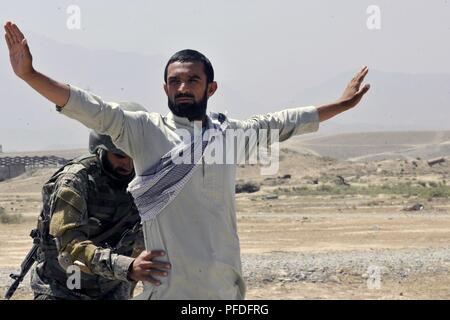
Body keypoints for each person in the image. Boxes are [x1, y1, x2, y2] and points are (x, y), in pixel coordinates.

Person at [4, 21, 370, 299]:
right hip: (166, 285)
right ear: (164, 88)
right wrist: (30, 75)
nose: (182, 87)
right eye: (174, 81)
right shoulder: (143, 132)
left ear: (210, 88)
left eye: (192, 80)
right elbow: (90, 108)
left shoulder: (230, 136)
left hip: (222, 283)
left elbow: (283, 122)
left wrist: (342, 105)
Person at [30, 123, 171, 300]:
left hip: (112, 289)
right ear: (100, 150)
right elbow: (70, 248)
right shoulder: (74, 181)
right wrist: (127, 267)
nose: (127, 163)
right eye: (119, 156)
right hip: (62, 289)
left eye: (133, 156)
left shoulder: (144, 179)